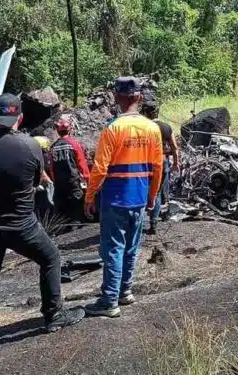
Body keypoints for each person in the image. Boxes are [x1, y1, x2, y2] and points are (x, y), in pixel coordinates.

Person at [0, 93, 85, 363]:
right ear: (19, 117)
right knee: (51, 258)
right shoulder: (30, 146)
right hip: (21, 225)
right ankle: (53, 316)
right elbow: (35, 181)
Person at [83, 77, 163, 318]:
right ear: (139, 98)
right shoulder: (152, 128)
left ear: (117, 98)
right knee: (131, 247)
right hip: (139, 196)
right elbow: (158, 166)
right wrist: (152, 196)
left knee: (113, 248)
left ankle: (109, 300)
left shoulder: (113, 128)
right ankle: (125, 291)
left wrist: (89, 196)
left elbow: (100, 167)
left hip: (115, 197)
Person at [140, 99, 180, 235]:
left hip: (144, 163)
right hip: (162, 162)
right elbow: (175, 147)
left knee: (141, 190)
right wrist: (176, 163)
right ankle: (153, 224)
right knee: (156, 193)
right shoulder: (166, 127)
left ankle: (137, 223)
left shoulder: (143, 127)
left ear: (145, 113)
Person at [49, 116, 90, 222]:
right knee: (76, 212)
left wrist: (55, 181)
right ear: (70, 129)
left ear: (58, 131)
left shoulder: (53, 147)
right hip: (73, 184)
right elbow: (82, 165)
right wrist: (88, 181)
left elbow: (52, 168)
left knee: (62, 214)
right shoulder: (74, 144)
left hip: (59, 186)